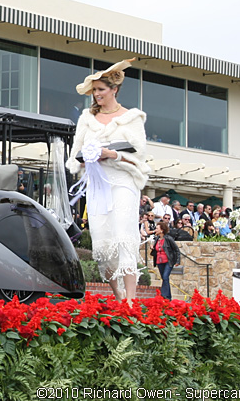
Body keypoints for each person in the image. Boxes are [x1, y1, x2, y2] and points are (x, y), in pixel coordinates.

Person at [66, 58, 150, 302]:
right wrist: (84, 159)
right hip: (97, 183)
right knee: (102, 239)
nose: (96, 94)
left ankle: (131, 300)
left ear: (114, 90)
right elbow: (75, 155)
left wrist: (112, 154)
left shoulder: (131, 118)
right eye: (94, 90)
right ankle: (118, 295)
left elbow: (140, 153)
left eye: (101, 89)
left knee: (124, 233)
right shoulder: (86, 118)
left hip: (123, 179)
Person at [151, 219, 181, 299]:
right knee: (165, 279)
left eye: (157, 228)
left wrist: (177, 261)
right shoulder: (157, 239)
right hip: (159, 261)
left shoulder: (168, 239)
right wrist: (153, 248)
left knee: (165, 277)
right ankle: (168, 297)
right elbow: (156, 250)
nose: (156, 230)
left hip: (168, 261)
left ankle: (163, 295)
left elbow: (176, 250)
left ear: (162, 230)